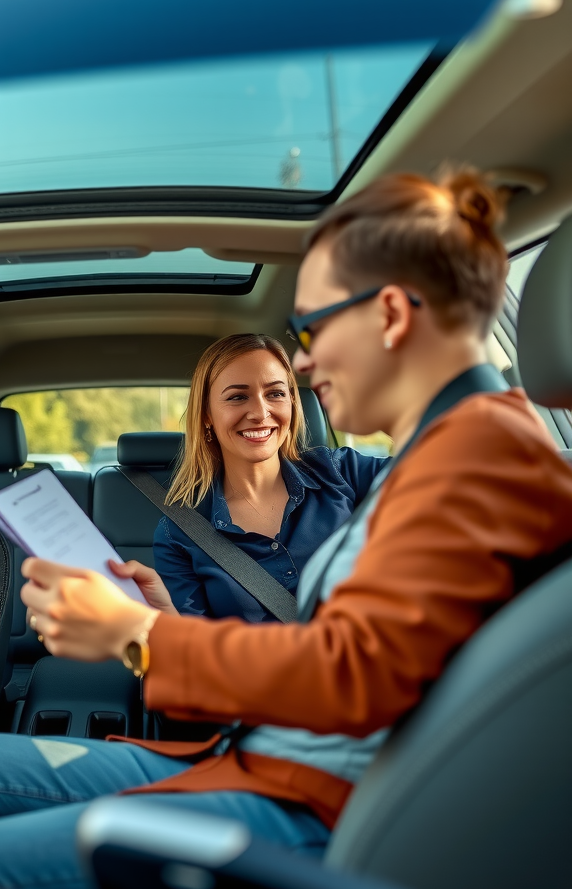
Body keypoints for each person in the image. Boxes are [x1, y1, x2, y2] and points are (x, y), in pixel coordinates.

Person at [4, 166, 572, 889]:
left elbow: (349, 673)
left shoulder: (479, 458)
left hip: (308, 805)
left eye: (310, 329)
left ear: (389, 315)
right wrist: (154, 624)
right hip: (255, 760)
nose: (303, 361)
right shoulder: (455, 452)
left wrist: (137, 633)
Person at [149, 333, 386, 621]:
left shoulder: (341, 472)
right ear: (207, 414)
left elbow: (432, 472)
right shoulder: (179, 533)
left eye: (275, 394)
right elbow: (196, 643)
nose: (261, 413)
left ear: (292, 402)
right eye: (237, 397)